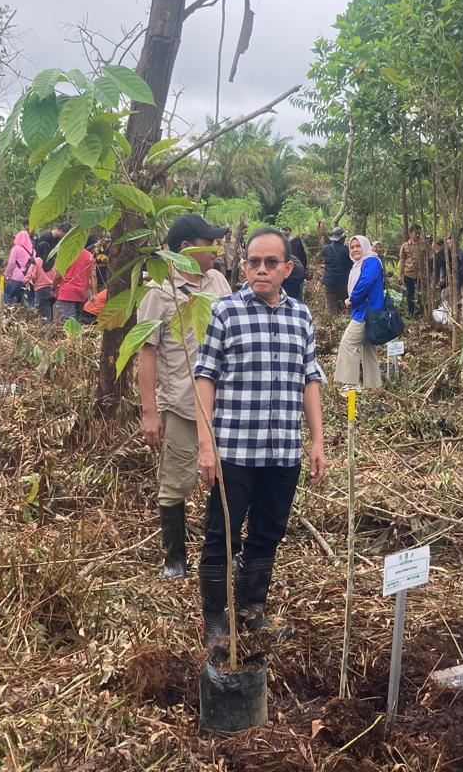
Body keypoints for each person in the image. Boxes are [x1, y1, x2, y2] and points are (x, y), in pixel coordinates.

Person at [193, 228, 326, 646]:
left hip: (282, 449)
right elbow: (205, 377)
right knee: (223, 534)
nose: (261, 270)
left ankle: (252, 609)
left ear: (288, 268)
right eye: (254, 262)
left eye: (271, 263)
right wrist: (205, 444)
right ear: (244, 265)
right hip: (233, 448)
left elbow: (310, 379)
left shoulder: (300, 316)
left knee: (269, 531)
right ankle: (215, 620)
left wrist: (317, 440)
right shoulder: (225, 312)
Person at [136, 214, 233, 579]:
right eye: (209, 243)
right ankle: (174, 557)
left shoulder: (218, 281)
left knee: (224, 479)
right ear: (185, 249)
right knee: (175, 481)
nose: (215, 248)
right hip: (180, 402)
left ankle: (220, 551)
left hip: (223, 402)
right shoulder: (159, 291)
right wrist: (149, 411)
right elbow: (147, 353)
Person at [335, 236, 384, 390]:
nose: (355, 249)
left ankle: (351, 385)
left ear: (365, 246)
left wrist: (352, 299)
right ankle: (373, 386)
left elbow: (365, 282)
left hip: (365, 312)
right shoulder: (360, 264)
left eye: (358, 246)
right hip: (366, 311)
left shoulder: (372, 261)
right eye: (352, 247)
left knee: (348, 343)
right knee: (367, 347)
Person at [49, 241, 97, 324]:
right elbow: (93, 276)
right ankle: (77, 336)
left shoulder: (66, 255)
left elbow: (58, 276)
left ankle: (71, 336)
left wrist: (53, 288)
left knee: (69, 322)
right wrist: (95, 294)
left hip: (67, 293)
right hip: (81, 293)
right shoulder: (89, 256)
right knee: (77, 322)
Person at [437, 237, 463, 317]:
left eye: (450, 243)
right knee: (445, 293)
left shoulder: (462, 254)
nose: (448, 246)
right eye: (447, 244)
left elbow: (462, 269)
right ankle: (455, 315)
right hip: (457, 283)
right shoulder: (448, 256)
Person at [320, 227, 353, 316]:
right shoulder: (347, 250)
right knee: (348, 306)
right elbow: (352, 265)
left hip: (329, 282)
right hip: (344, 283)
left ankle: (333, 324)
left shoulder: (325, 249)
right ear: (342, 238)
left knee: (331, 308)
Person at [398, 225, 429, 318]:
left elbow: (430, 256)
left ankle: (421, 313)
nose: (418, 235)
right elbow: (402, 260)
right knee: (410, 294)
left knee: (422, 294)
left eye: (419, 233)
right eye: (416, 233)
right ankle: (411, 314)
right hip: (409, 273)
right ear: (410, 234)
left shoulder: (424, 245)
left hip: (421, 275)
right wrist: (400, 275)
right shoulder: (405, 246)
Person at [3, 228, 34, 306]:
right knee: (24, 301)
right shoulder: (33, 251)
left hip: (16, 277)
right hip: (28, 279)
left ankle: (9, 315)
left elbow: (11, 263)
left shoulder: (16, 248)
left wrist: (7, 275)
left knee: (8, 295)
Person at [27, 250, 56, 322]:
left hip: (40, 290)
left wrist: (25, 281)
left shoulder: (36, 261)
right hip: (53, 289)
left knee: (43, 312)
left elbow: (32, 276)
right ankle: (52, 327)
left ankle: (46, 328)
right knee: (51, 310)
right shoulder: (54, 261)